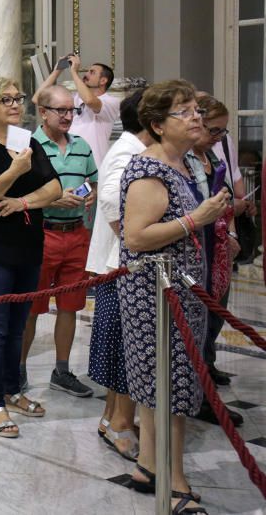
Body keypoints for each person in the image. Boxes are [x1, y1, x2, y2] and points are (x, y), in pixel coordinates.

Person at [119, 80, 229, 513]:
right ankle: (177, 483)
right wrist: (194, 220)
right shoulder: (150, 169)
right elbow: (136, 236)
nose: (196, 118)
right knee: (174, 386)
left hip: (177, 291)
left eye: (195, 110)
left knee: (159, 384)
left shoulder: (182, 163)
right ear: (158, 125)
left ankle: (148, 465)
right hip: (156, 294)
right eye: (184, 112)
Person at [0, 78, 61, 438]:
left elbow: (54, 186)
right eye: (7, 99)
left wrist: (23, 201)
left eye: (18, 98)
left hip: (28, 245)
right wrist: (15, 172)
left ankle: (12, 389)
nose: (16, 104)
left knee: (18, 327)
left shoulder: (26, 140)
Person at [19, 85, 98, 397]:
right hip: (41, 233)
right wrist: (52, 199)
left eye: (71, 111)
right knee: (31, 307)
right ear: (44, 113)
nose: (68, 116)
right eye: (61, 110)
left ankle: (62, 370)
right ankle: (19, 367)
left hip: (76, 234)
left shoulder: (81, 146)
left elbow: (92, 181)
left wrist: (89, 194)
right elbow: (16, 194)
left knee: (70, 306)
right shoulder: (28, 147)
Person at [85, 90, 148, 461]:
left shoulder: (129, 146)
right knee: (126, 346)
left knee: (121, 344)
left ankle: (113, 418)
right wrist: (135, 239)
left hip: (122, 261)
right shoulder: (128, 150)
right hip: (122, 262)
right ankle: (120, 422)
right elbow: (110, 199)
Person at [186, 95, 244, 428]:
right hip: (194, 251)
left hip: (216, 248)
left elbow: (221, 201)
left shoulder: (210, 156)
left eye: (223, 132)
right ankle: (200, 395)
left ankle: (205, 383)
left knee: (213, 320)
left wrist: (231, 233)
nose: (219, 138)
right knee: (196, 324)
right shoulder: (181, 161)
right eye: (213, 130)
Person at [32, 55, 120, 166]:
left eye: (92, 72)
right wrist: (57, 71)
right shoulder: (74, 98)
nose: (86, 74)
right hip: (70, 161)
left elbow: (89, 101)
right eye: (87, 71)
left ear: (103, 80)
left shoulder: (111, 101)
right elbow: (37, 98)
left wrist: (74, 72)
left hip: (94, 164)